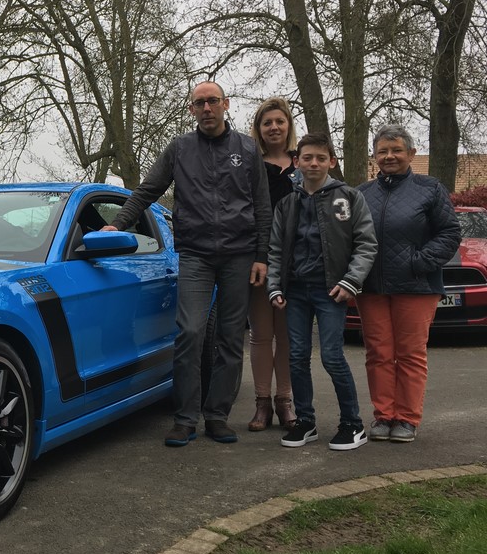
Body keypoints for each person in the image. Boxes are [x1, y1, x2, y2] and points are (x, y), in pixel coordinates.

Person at [102, 80, 271, 447]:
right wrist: (117, 223)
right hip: (194, 254)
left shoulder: (247, 148)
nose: (207, 108)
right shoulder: (179, 149)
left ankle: (217, 416)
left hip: (239, 255)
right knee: (190, 332)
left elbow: (261, 205)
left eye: (212, 101)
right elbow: (146, 191)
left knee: (229, 338)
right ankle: (185, 418)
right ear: (192, 110)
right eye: (199, 103)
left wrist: (262, 256)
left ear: (226, 104)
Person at [267, 133, 378, 450]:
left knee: (332, 356)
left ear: (331, 161)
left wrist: (351, 281)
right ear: (296, 163)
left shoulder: (349, 197)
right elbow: (275, 250)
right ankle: (305, 422)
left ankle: (352, 425)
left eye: (320, 157)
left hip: (332, 291)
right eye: (306, 158)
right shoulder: (287, 204)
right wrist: (274, 286)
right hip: (296, 293)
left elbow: (366, 245)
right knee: (298, 357)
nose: (313, 163)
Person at [356, 124, 460, 443]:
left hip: (417, 286)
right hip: (372, 288)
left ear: (411, 154)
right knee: (378, 353)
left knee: (411, 354)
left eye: (396, 150)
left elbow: (450, 233)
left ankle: (407, 418)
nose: (390, 156)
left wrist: (419, 261)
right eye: (383, 151)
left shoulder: (429, 188)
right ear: (374, 157)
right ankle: (383, 415)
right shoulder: (362, 193)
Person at [246, 97, 299, 431]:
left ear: (288, 125)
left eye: (280, 121)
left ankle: (286, 401)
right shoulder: (250, 165)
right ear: (259, 129)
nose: (274, 127)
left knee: (289, 335)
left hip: (298, 263)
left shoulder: (304, 161)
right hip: (258, 260)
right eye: (267, 123)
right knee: (261, 335)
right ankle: (262, 404)